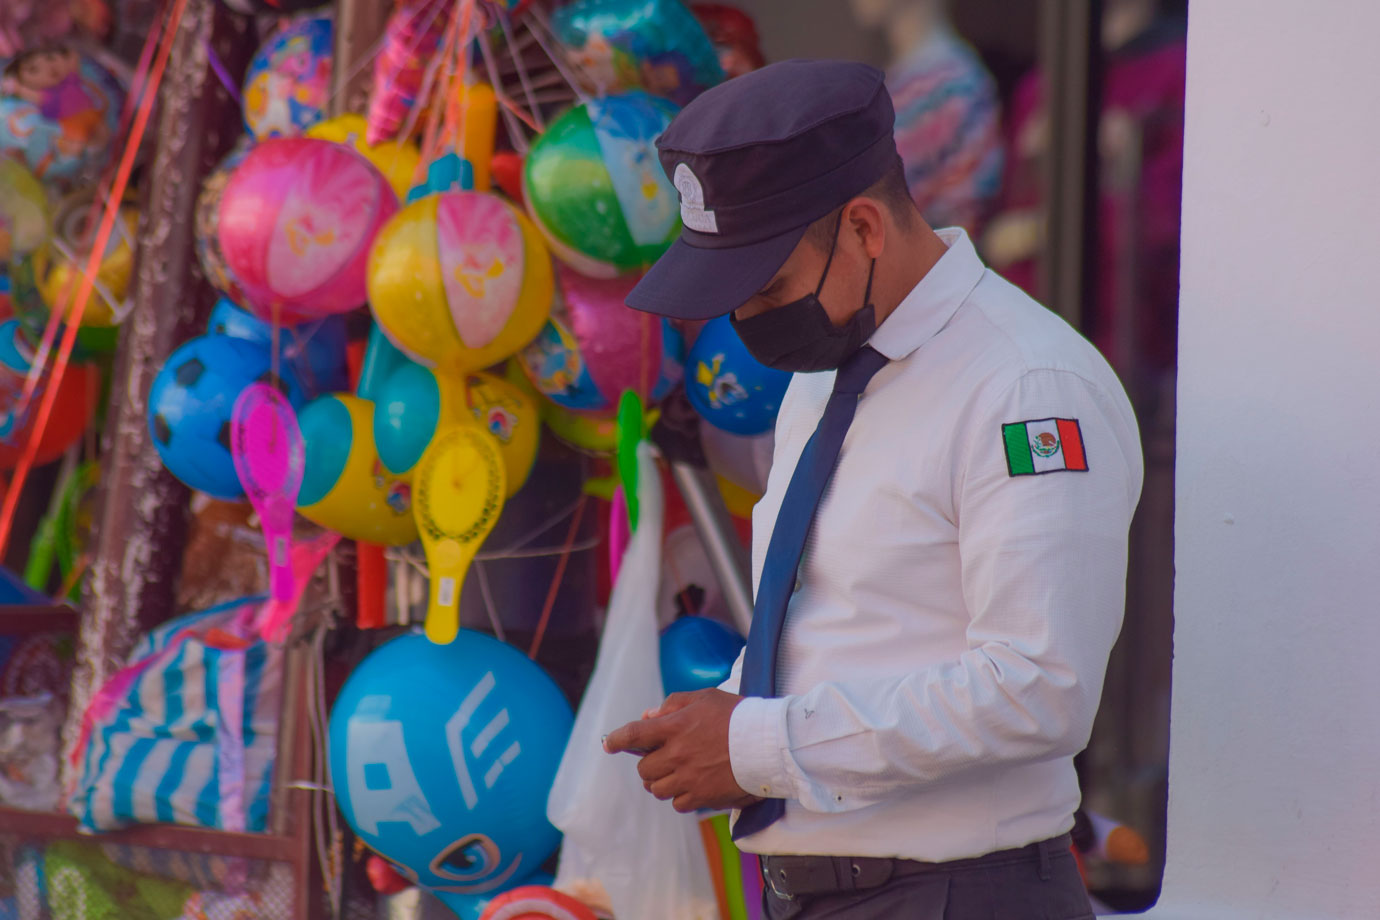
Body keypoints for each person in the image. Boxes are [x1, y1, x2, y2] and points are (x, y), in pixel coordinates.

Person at [606, 59, 1143, 917]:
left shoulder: (1026, 386)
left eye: (769, 287)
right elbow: (847, 622)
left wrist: (760, 743)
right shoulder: (828, 365)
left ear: (864, 227)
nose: (746, 324)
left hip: (953, 895)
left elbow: (1039, 688)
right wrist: (730, 710)